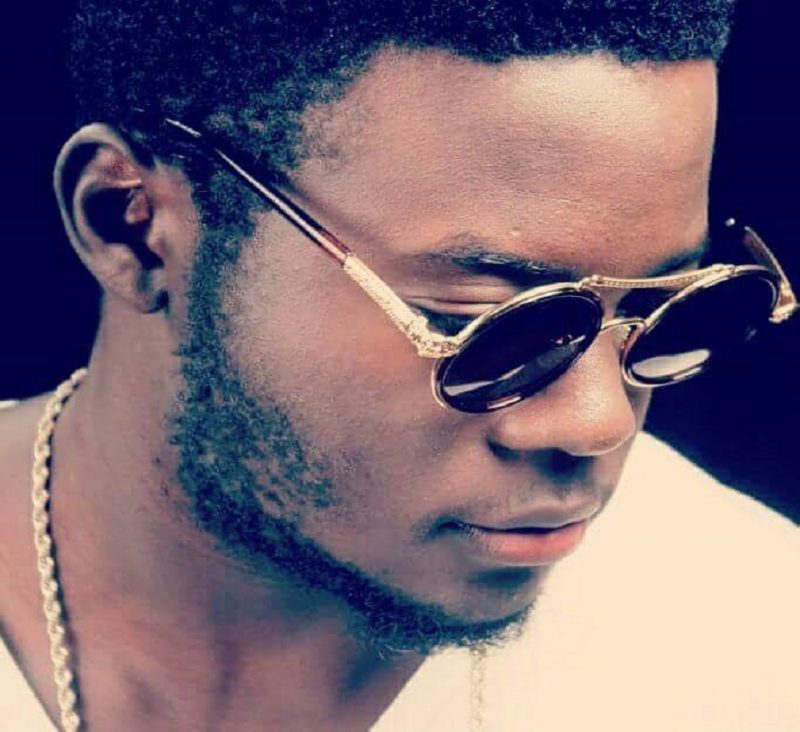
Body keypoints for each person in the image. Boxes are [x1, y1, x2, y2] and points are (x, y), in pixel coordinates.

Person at [1, 0, 798, 729]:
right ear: (131, 227)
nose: (601, 422)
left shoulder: (757, 646)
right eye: (488, 321)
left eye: (667, 308)